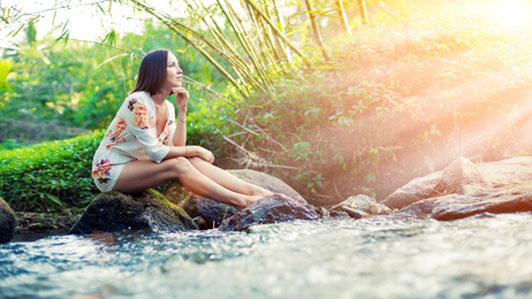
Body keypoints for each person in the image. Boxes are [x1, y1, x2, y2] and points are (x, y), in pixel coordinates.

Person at [91, 49, 272, 210]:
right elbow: (156, 152)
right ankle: (242, 202)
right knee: (181, 163)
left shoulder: (167, 107)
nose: (180, 70)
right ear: (157, 71)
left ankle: (257, 192)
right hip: (111, 170)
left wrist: (182, 110)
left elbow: (176, 145)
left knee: (188, 159)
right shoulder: (138, 101)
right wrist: (195, 149)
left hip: (137, 168)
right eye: (172, 65)